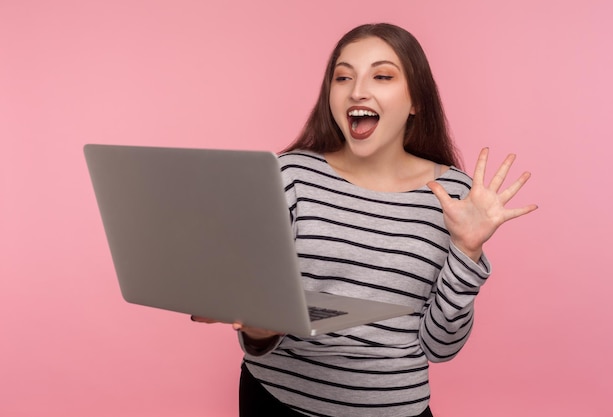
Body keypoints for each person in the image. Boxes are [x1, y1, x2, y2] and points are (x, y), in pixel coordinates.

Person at [192, 23, 537, 417]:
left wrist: (467, 250)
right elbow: (260, 325)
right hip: (275, 399)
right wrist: (257, 329)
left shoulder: (455, 196)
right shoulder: (289, 176)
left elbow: (440, 347)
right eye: (343, 77)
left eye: (383, 75)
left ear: (415, 101)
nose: (357, 90)